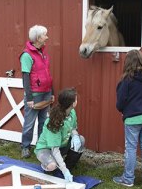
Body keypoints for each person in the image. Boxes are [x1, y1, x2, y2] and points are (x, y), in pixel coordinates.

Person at [113, 50, 142, 187]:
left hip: (133, 118)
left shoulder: (127, 80)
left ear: (128, 62)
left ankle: (128, 179)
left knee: (131, 148)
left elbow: (120, 101)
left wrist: (122, 111)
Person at [34, 88, 85, 182]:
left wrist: (75, 136)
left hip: (62, 145)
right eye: (76, 99)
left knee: (81, 140)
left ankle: (67, 167)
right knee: (51, 166)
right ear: (72, 103)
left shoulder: (72, 112)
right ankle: (48, 165)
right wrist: (64, 170)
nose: (77, 101)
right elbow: (55, 150)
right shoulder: (54, 121)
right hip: (46, 149)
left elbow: (73, 128)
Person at [19, 25, 54, 158]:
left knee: (44, 121)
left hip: (46, 92)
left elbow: (48, 75)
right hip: (34, 94)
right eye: (45, 35)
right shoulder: (27, 55)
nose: (47, 37)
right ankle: (25, 147)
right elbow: (25, 78)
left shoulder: (43, 53)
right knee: (29, 123)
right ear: (38, 38)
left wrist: (52, 92)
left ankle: (40, 146)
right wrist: (29, 98)